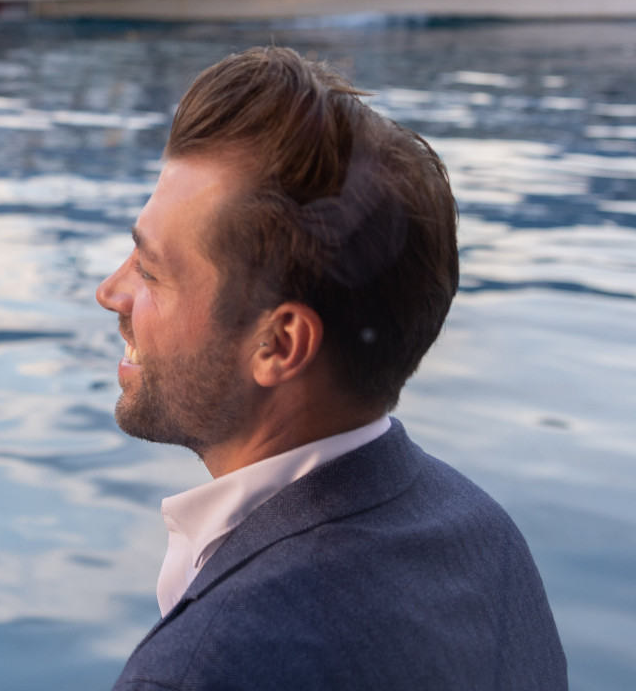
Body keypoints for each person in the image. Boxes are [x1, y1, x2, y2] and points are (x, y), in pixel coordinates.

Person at [96, 47, 566, 689]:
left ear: (280, 345)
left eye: (150, 271)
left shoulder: (203, 668)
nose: (111, 292)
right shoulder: (489, 542)